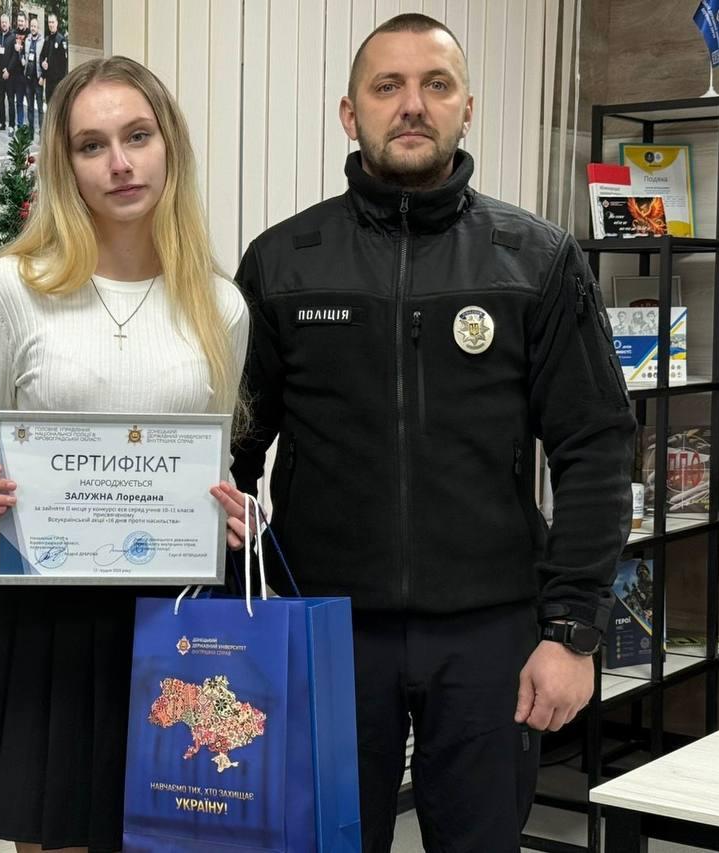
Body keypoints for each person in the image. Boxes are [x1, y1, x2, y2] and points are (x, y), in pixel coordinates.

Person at [218, 13, 635, 852]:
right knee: (321, 845)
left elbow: (595, 446)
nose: (412, 104)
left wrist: (572, 632)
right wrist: (238, 605)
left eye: (435, 85)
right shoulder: (282, 262)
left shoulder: (536, 259)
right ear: (350, 113)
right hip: (325, 631)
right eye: (388, 86)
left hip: (490, 636)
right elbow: (231, 447)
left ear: (466, 108)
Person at [0, 55, 249, 853]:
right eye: (91, 144)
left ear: (169, 146)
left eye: (137, 136)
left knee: (173, 835)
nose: (119, 163)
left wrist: (242, 511)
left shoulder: (221, 304)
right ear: (65, 163)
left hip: (176, 615)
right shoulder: (15, 285)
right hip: (49, 611)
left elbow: (215, 464)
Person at [40, 13, 69, 108]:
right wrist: (42, 63)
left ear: (57, 23)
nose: (51, 24)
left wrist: (62, 83)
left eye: (52, 22)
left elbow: (64, 64)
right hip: (48, 81)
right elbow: (42, 56)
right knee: (49, 105)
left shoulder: (61, 40)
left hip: (58, 81)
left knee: (57, 107)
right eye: (49, 22)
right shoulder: (47, 39)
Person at [22, 15, 44, 130]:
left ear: (38, 28)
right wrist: (22, 59)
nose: (33, 28)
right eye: (31, 26)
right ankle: (30, 131)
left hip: (38, 79)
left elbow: (45, 59)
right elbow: (23, 55)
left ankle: (41, 132)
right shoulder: (27, 40)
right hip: (28, 79)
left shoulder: (42, 41)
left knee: (39, 107)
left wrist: (43, 76)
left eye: (35, 26)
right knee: (30, 107)